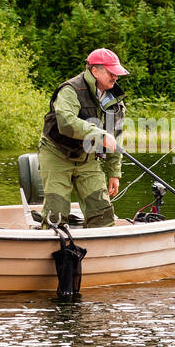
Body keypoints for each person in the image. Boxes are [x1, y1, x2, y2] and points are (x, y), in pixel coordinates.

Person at [38, 48, 128, 228]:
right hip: (56, 154)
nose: (115, 77)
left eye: (117, 73)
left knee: (103, 215)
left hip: (87, 159)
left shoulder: (115, 102)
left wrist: (114, 173)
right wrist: (99, 134)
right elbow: (66, 122)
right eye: (111, 73)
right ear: (95, 71)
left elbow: (115, 138)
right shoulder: (70, 90)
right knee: (55, 216)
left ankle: (99, 252)